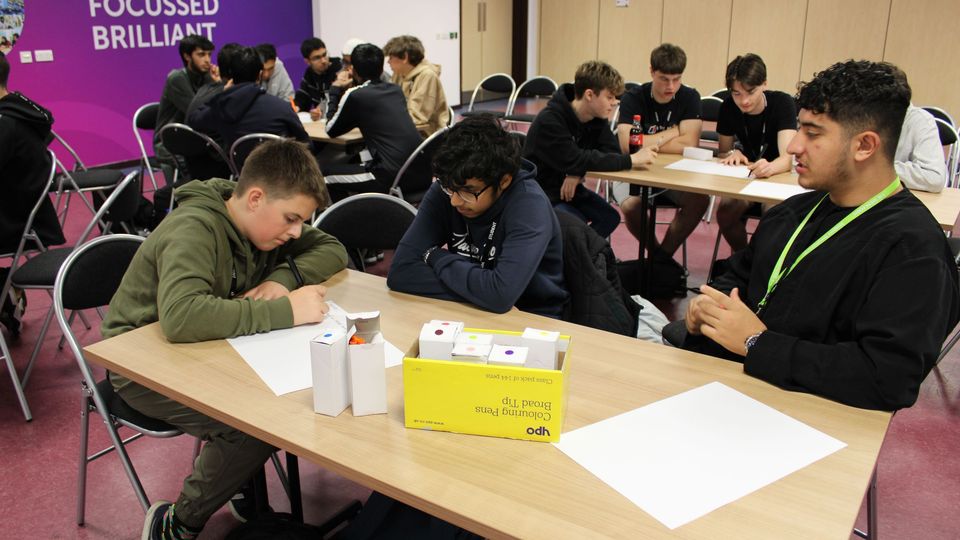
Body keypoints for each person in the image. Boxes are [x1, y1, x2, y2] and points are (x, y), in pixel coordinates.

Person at [101, 139, 347, 540]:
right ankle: (179, 522)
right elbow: (182, 317)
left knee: (289, 399)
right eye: (291, 218)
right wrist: (288, 311)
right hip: (142, 365)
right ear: (255, 198)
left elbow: (332, 248)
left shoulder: (262, 225)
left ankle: (235, 483)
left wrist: (279, 280)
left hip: (209, 348)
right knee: (253, 427)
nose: (296, 231)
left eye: (302, 221)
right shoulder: (194, 229)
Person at [679, 60, 960, 411]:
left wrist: (756, 343)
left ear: (865, 145)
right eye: (799, 128)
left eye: (812, 133)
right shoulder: (792, 212)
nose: (794, 146)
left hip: (811, 420)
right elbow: (738, 275)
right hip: (729, 392)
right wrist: (709, 305)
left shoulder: (912, 248)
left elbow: (888, 377)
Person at [388, 114, 568, 318]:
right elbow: (400, 272)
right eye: (449, 188)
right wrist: (483, 291)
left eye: (468, 191)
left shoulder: (529, 205)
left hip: (533, 318)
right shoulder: (449, 186)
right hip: (472, 310)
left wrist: (436, 256)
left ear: (504, 181)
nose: (455, 200)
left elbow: (500, 295)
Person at [523, 60, 656, 239]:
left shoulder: (595, 117)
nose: (614, 103)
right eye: (609, 97)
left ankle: (583, 257)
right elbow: (575, 158)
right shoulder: (550, 121)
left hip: (569, 189)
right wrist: (632, 159)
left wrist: (576, 173)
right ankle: (577, 258)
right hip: (541, 193)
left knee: (610, 217)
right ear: (589, 94)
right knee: (576, 225)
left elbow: (611, 151)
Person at [617, 43, 706, 259]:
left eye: (677, 79)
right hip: (636, 170)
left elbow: (689, 145)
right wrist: (675, 131)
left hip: (675, 173)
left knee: (700, 200)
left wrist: (647, 141)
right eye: (664, 79)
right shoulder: (633, 97)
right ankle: (658, 257)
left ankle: (661, 258)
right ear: (651, 71)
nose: (671, 86)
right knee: (630, 206)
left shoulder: (690, 97)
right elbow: (628, 145)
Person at [0, 51, 65, 332]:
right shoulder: (21, 113)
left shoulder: (5, 123)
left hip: (13, 222)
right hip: (27, 214)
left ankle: (4, 290)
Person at [714, 54, 798, 253]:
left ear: (765, 84)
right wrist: (733, 152)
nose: (744, 101)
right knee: (725, 213)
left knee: (772, 217)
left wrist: (769, 167)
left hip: (777, 176)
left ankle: (755, 266)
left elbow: (788, 158)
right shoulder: (727, 107)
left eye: (751, 92)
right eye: (736, 94)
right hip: (746, 176)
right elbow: (723, 152)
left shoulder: (782, 103)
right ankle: (744, 259)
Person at [323, 43, 424, 201]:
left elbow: (330, 130)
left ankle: (348, 222)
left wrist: (335, 90)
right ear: (381, 67)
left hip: (390, 177)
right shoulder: (395, 90)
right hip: (420, 171)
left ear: (353, 70)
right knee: (355, 162)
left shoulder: (355, 95)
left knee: (323, 175)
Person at [188, 46, 311, 153]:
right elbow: (307, 146)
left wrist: (223, 93)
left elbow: (193, 119)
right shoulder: (281, 107)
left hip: (243, 176)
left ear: (232, 77)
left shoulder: (221, 109)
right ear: (259, 75)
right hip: (280, 176)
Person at [155, 34, 219, 184]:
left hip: (195, 138)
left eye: (209, 54)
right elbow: (198, 115)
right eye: (201, 55)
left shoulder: (206, 76)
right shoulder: (176, 78)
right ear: (187, 56)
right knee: (206, 164)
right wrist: (217, 86)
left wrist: (217, 83)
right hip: (169, 142)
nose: (207, 60)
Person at [384, 34, 451, 137]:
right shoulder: (399, 73)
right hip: (408, 130)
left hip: (427, 135)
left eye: (391, 57)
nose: (388, 62)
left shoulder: (427, 76)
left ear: (405, 57)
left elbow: (417, 117)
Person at [895, 104, 947, 193]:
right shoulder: (865, 114)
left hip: (896, 198)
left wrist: (879, 169)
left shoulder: (919, 120)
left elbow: (934, 178)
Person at [295, 37, 342, 118]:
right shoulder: (309, 74)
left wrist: (321, 109)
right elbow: (302, 100)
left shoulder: (339, 68)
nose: (323, 61)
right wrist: (297, 107)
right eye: (317, 58)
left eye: (324, 55)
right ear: (307, 61)